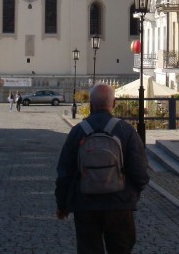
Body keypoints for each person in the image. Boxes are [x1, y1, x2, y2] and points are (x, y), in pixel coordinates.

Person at [56, 83, 149, 254]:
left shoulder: (78, 131)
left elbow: (64, 172)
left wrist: (62, 204)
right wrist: (132, 194)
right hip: (119, 203)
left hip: (85, 204)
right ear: (113, 103)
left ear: (90, 104)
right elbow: (140, 171)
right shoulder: (125, 130)